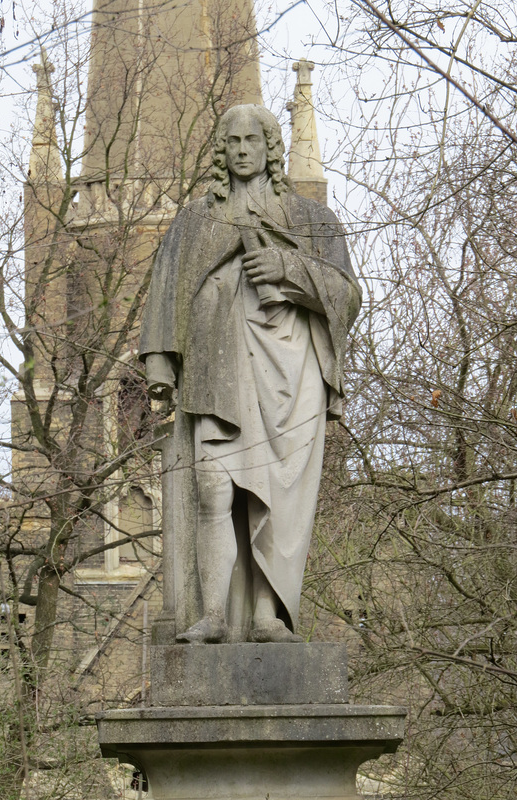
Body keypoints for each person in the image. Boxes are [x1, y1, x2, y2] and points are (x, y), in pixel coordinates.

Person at [139, 104, 361, 643]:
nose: (242, 150)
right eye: (232, 141)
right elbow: (167, 291)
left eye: (252, 140)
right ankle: (212, 615)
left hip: (290, 375)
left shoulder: (311, 221)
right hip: (220, 366)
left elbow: (348, 296)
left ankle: (266, 617)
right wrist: (160, 365)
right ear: (222, 150)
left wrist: (288, 269)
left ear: (270, 147)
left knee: (276, 494)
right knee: (213, 487)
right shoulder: (195, 221)